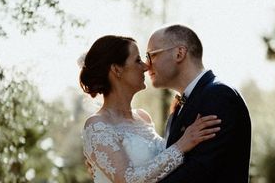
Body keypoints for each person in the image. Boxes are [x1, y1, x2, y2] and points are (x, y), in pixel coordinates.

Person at [80, 35, 222, 183]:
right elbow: (128, 179)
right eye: (137, 60)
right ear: (117, 69)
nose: (146, 66)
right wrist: (181, 145)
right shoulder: (97, 125)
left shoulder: (143, 117)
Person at [146, 25, 252, 182]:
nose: (147, 64)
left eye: (151, 55)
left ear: (179, 53)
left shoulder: (219, 96)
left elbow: (200, 173)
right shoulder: (183, 103)